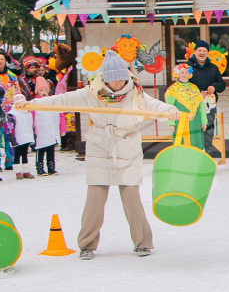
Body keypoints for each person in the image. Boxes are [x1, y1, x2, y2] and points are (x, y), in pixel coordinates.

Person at [16, 50, 179, 259]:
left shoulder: (135, 92)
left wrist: (170, 110)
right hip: (99, 146)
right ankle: (87, 245)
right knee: (95, 196)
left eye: (121, 78)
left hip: (127, 146)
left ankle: (143, 243)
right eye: (113, 79)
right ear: (105, 79)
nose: (118, 83)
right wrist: (32, 104)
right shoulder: (91, 92)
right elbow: (62, 100)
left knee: (131, 195)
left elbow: (155, 106)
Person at [188, 40, 226, 157]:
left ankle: (208, 157)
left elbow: (222, 84)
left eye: (204, 51)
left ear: (208, 53)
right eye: (199, 50)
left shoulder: (213, 68)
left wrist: (214, 87)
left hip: (209, 107)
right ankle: (193, 157)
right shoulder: (187, 67)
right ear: (195, 52)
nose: (202, 53)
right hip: (192, 106)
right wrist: (197, 93)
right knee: (193, 130)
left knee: (208, 132)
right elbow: (182, 84)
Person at [0, 50, 22, 171]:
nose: (0, 61)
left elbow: (17, 91)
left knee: (10, 136)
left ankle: (10, 161)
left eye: (2, 59)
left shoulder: (12, 75)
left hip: (10, 110)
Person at [165, 63, 207, 149]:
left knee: (195, 142)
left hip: (195, 121)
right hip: (180, 121)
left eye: (186, 72)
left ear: (189, 74)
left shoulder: (194, 88)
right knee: (181, 142)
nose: (184, 74)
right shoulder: (172, 89)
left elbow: (201, 106)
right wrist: (171, 123)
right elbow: (169, 107)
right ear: (178, 74)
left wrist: (203, 122)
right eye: (182, 72)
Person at [32, 77, 65, 176]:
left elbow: (60, 115)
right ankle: (40, 168)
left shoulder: (53, 101)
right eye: (41, 90)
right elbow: (31, 117)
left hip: (51, 130)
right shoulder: (34, 103)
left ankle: (51, 168)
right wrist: (32, 129)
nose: (43, 92)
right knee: (40, 149)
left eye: (45, 90)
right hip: (40, 130)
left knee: (51, 149)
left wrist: (62, 129)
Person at [5, 94, 35, 180]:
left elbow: (31, 125)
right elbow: (10, 127)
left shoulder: (28, 113)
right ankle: (18, 171)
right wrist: (12, 138)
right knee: (17, 154)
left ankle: (26, 171)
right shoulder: (12, 114)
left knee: (25, 153)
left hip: (26, 136)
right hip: (17, 137)